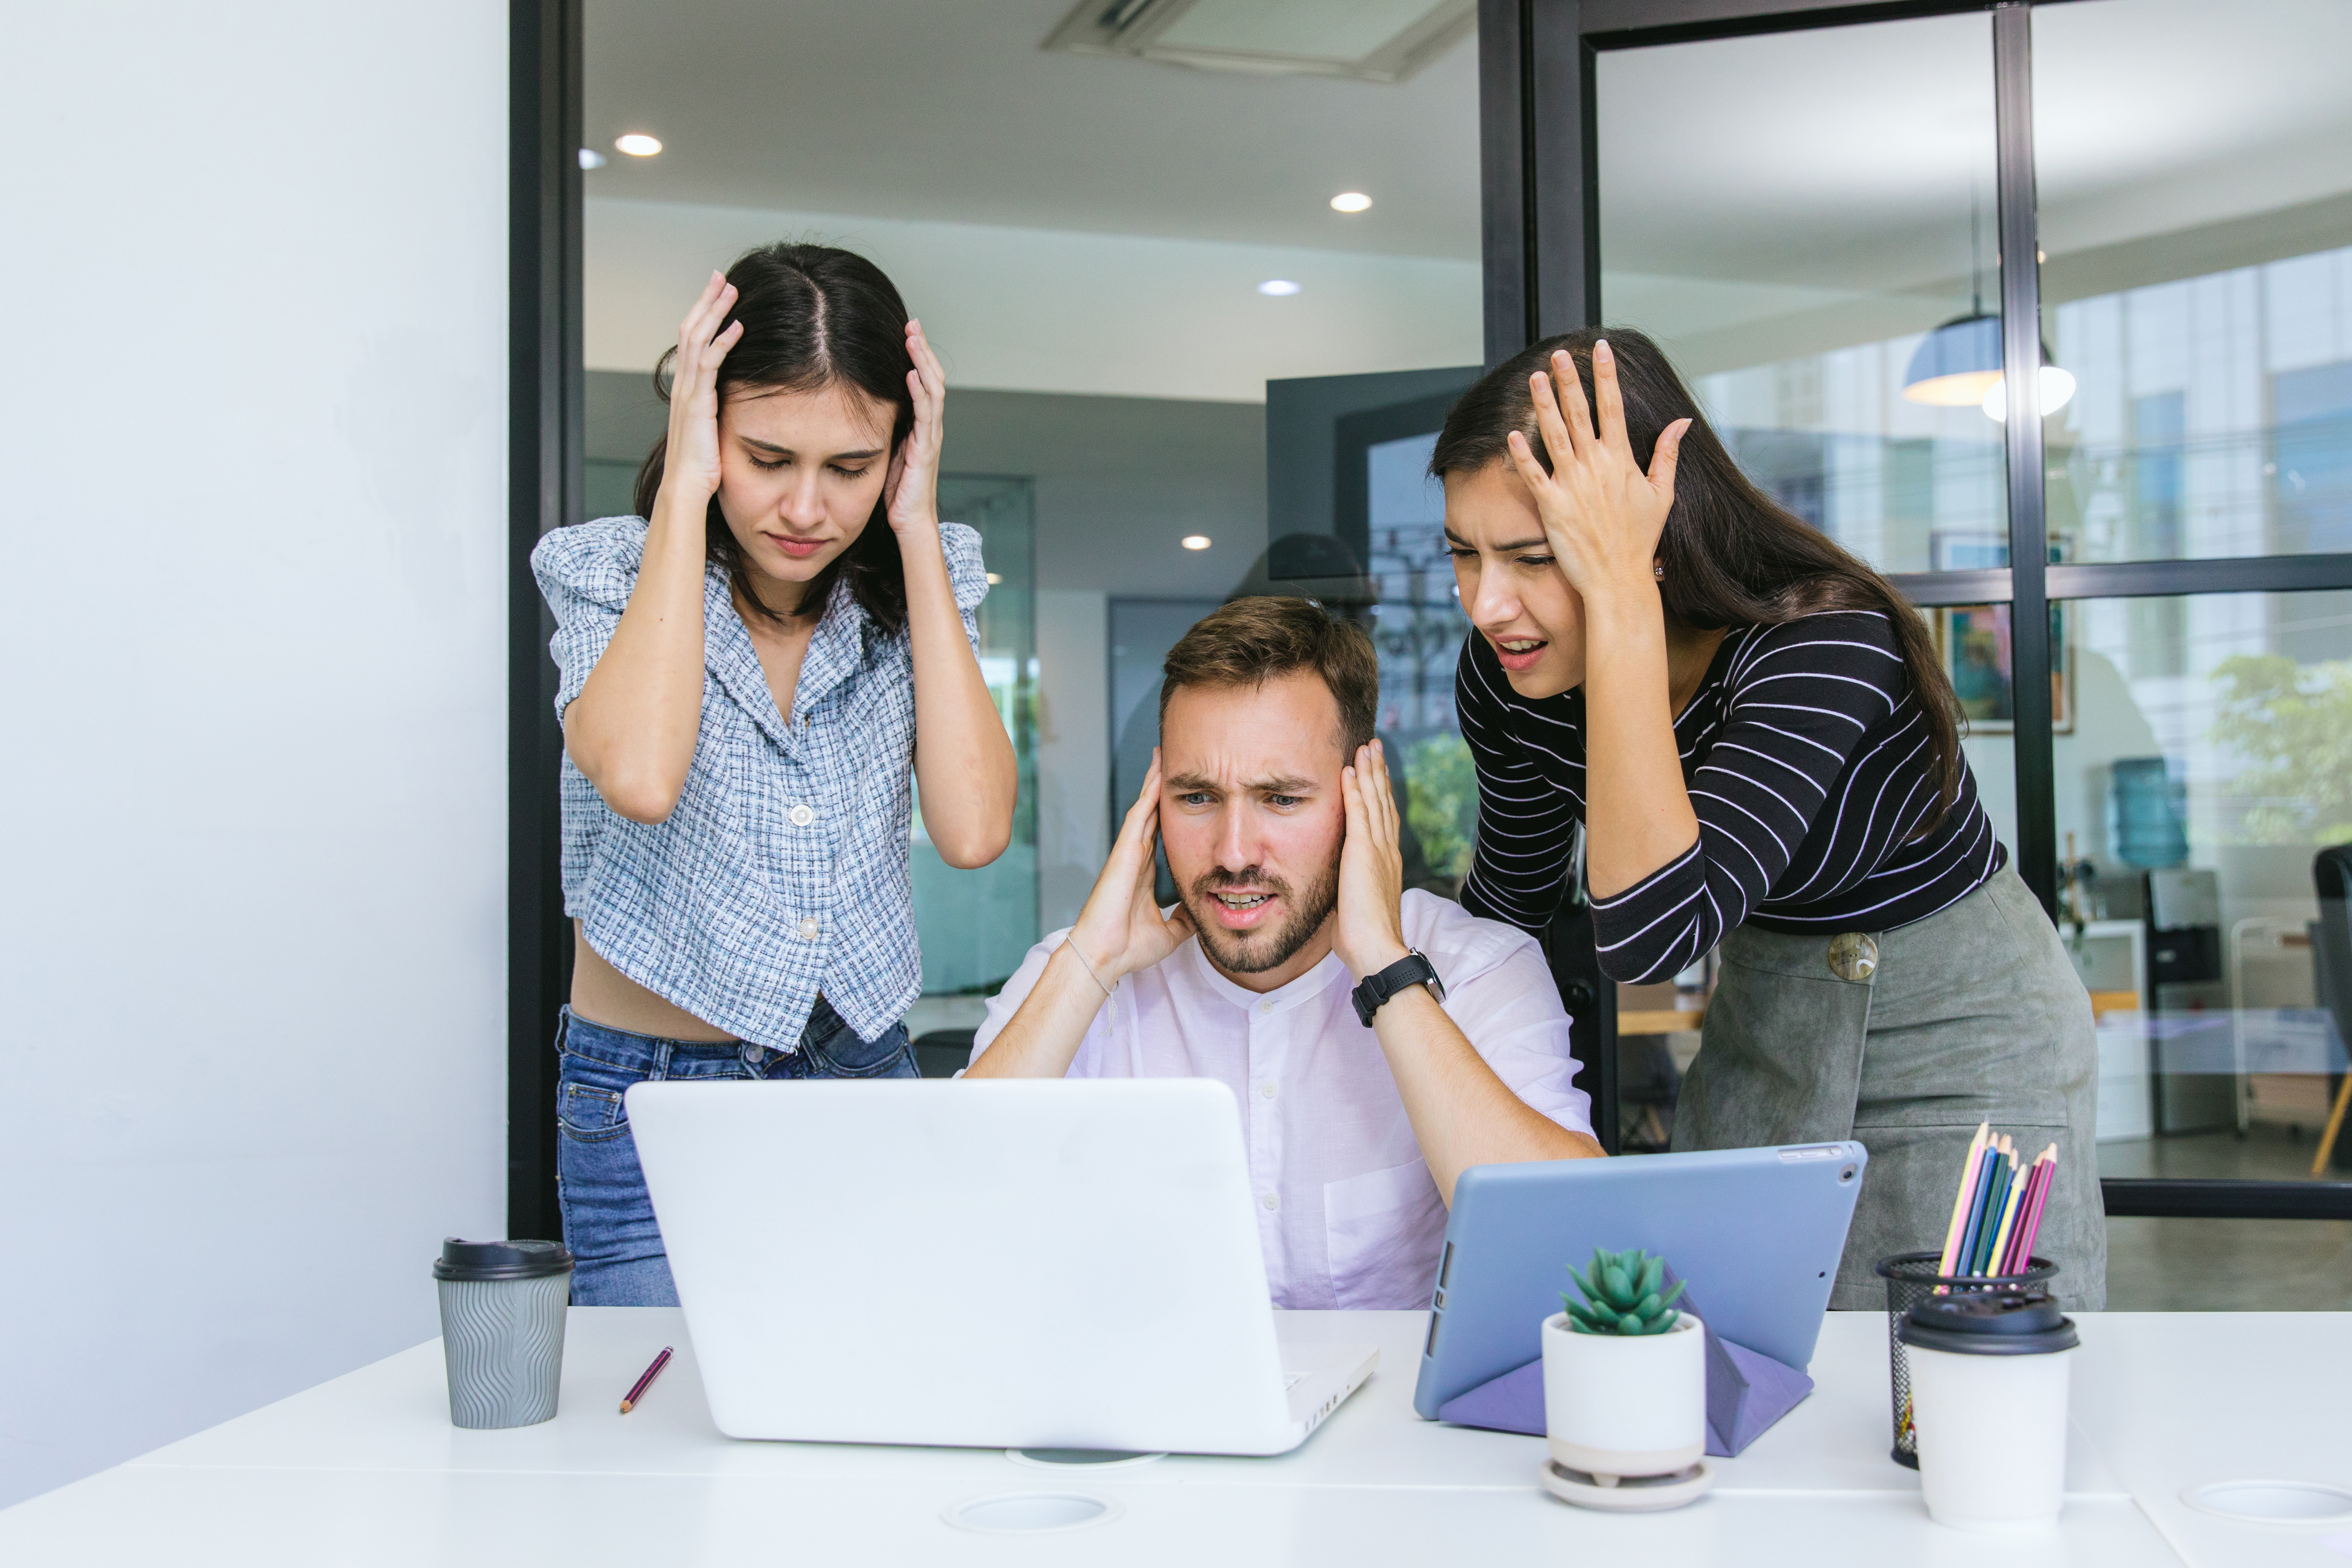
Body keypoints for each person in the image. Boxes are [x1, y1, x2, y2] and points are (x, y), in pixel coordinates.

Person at [1434, 328, 2105, 1310]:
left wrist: (1617, 593)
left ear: (1649, 537)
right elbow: (1514, 905)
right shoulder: (1511, 679)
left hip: (1961, 1028)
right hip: (1769, 1022)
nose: (1490, 605)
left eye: (1536, 557)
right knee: (1723, 1347)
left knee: (1953, 1378)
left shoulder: (1822, 640)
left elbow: (1651, 931)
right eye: (1464, 553)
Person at [532, 244, 1017, 1305]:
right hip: (650, 1099)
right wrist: (688, 491)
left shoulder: (922, 583)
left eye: (850, 466)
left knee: (877, 1426)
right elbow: (642, 775)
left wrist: (918, 525)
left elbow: (975, 829)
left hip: (858, 1076)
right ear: (706, 427)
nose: (806, 507)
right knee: (664, 1439)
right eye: (766, 457)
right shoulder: (609, 570)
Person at [967, 597, 1600, 1309]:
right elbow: (939, 1227)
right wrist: (1088, 965)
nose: (1234, 854)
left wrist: (1386, 972)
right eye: (1198, 797)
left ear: (1362, 794)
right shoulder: (1078, 973)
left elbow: (1572, 1249)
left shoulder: (1477, 967)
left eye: (1281, 799)